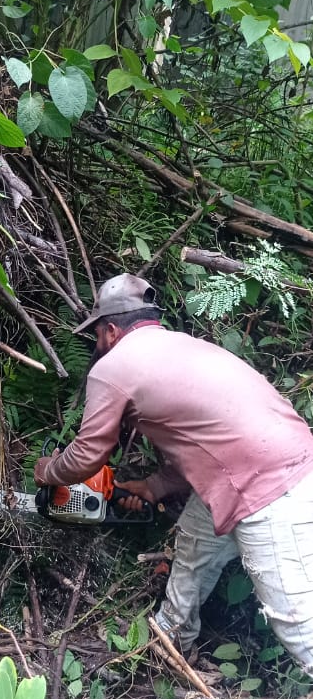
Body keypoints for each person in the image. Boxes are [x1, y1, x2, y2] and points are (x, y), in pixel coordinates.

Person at [33, 273, 313, 676]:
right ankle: (170, 641)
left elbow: (86, 457)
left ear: (111, 330)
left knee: (296, 622)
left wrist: (48, 472)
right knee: (195, 547)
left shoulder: (113, 367)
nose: (96, 345)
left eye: (96, 335)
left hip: (268, 489)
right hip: (278, 463)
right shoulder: (185, 347)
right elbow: (209, 442)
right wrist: (152, 486)